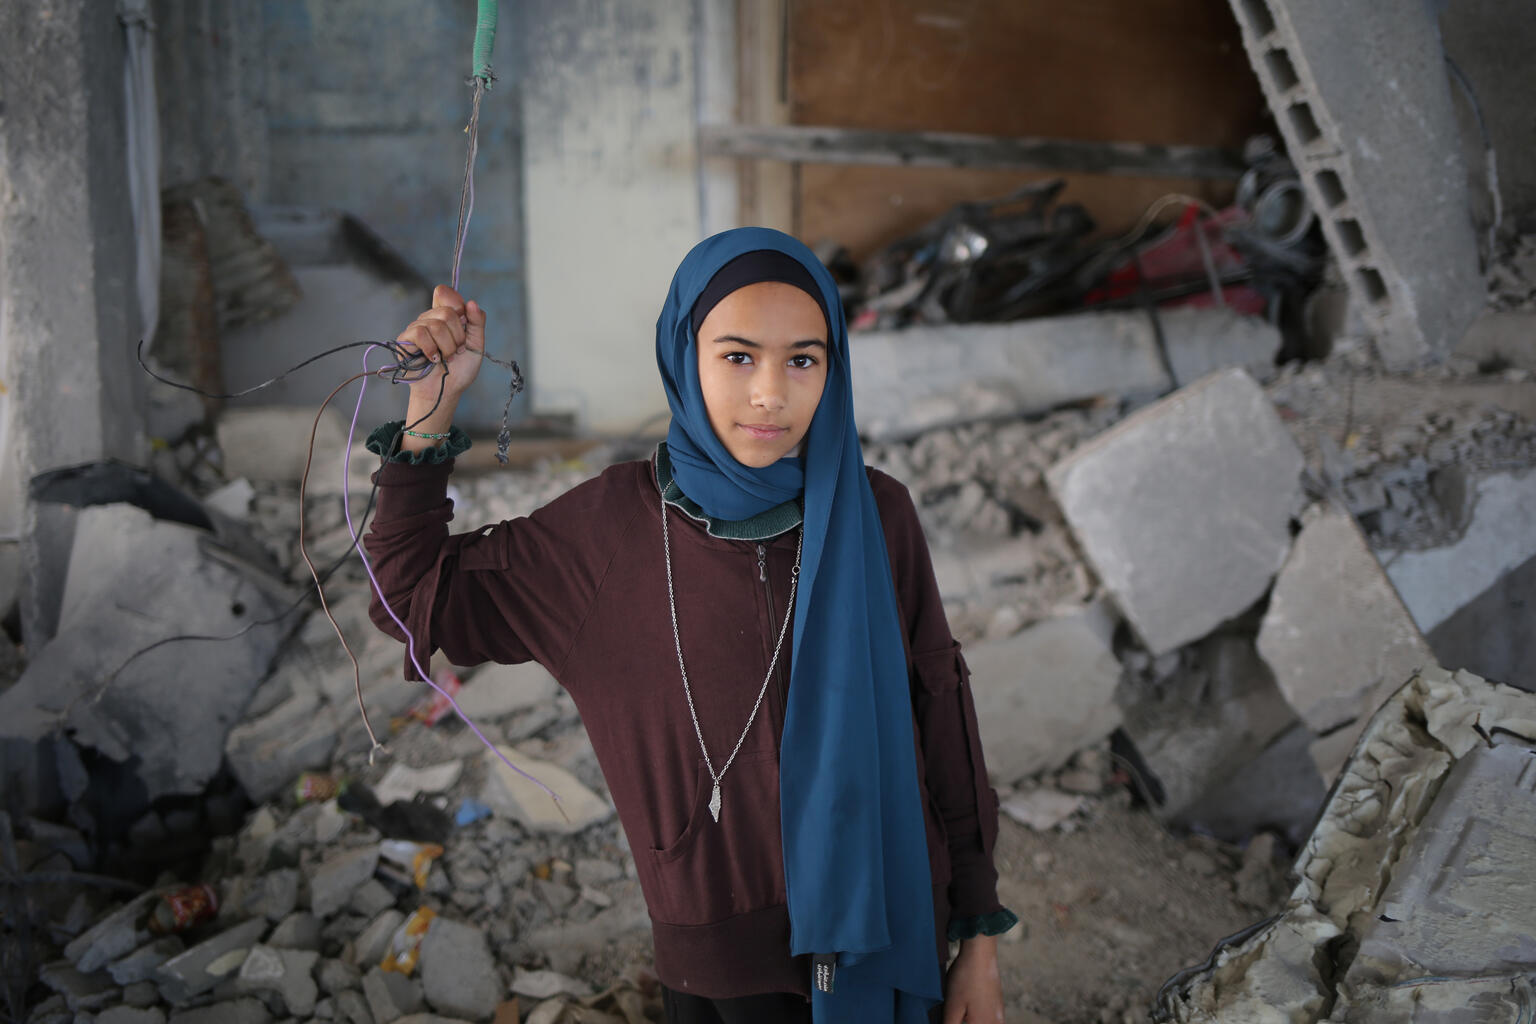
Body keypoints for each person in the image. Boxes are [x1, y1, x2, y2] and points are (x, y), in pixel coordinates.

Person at [363, 227, 1016, 1023]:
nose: (771, 392)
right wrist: (430, 411)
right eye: (738, 357)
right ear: (684, 354)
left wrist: (979, 940)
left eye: (802, 360)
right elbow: (407, 597)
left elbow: (941, 715)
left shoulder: (875, 513)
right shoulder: (604, 536)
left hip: (896, 931)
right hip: (723, 972)